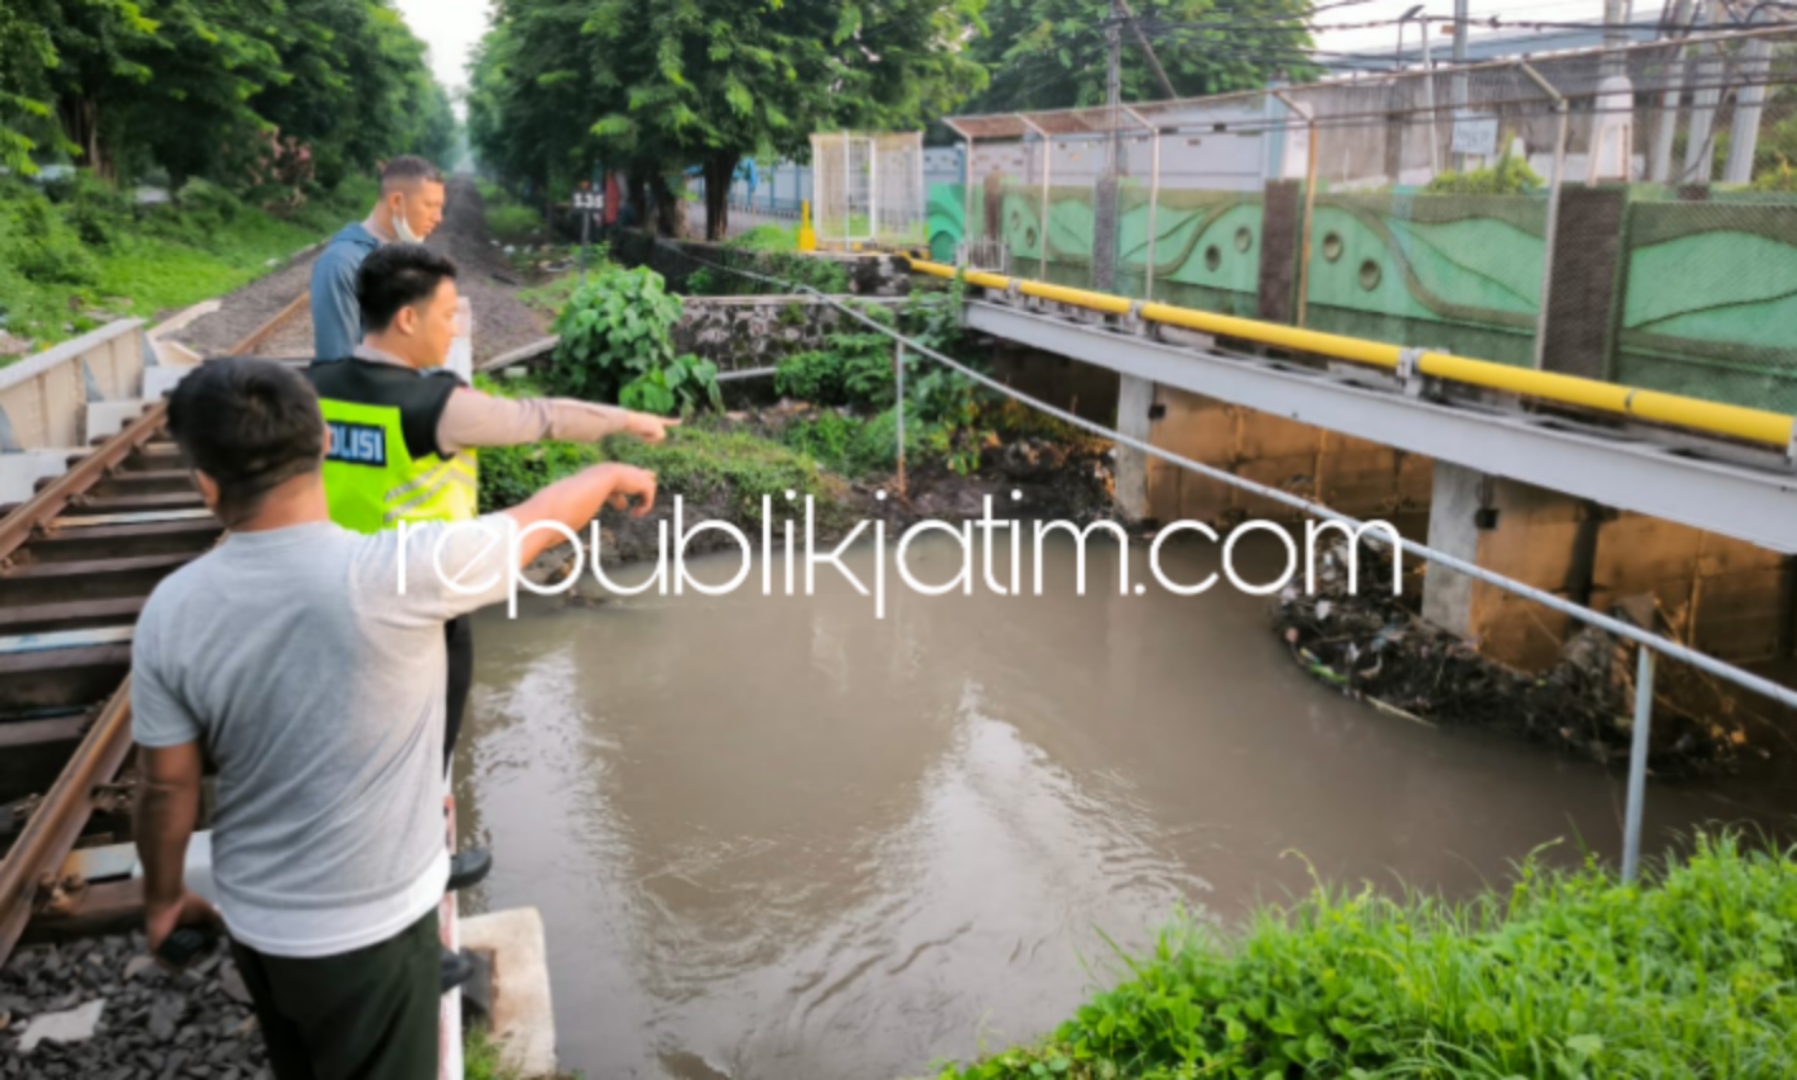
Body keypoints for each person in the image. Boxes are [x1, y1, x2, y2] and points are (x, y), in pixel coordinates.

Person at [131, 357, 657, 1080]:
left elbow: (166, 789)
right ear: (321, 445)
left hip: (256, 920)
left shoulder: (170, 610)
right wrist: (608, 476)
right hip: (372, 926)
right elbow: (536, 522)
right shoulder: (401, 575)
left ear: (204, 480)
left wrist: (163, 899)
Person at [303, 242, 677, 986]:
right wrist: (626, 420)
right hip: (422, 602)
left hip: (332, 591)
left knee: (359, 766)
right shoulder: (429, 406)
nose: (452, 330)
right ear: (406, 318)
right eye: (445, 315)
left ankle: (421, 877)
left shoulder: (312, 386)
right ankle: (413, 946)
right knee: (416, 772)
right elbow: (537, 420)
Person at [310, 155, 446, 362]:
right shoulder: (342, 263)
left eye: (440, 207)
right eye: (430, 205)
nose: (438, 218)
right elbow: (337, 365)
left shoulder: (407, 255)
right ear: (396, 201)